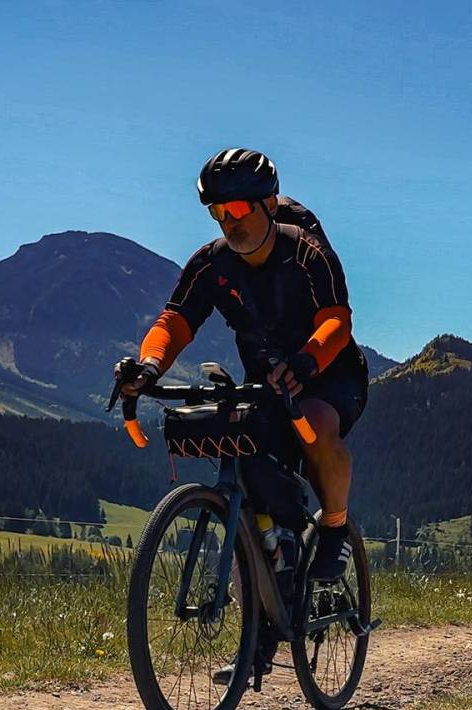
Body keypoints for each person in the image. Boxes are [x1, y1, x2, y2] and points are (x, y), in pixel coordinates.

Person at [121, 147, 367, 586]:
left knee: (314, 424)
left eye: (237, 208)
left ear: (269, 204)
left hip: (331, 370)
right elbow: (175, 321)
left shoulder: (305, 251)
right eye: (218, 211)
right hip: (267, 381)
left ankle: (334, 530)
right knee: (250, 465)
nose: (228, 221)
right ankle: (270, 572)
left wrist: (306, 361)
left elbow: (336, 320)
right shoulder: (212, 263)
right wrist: (150, 365)